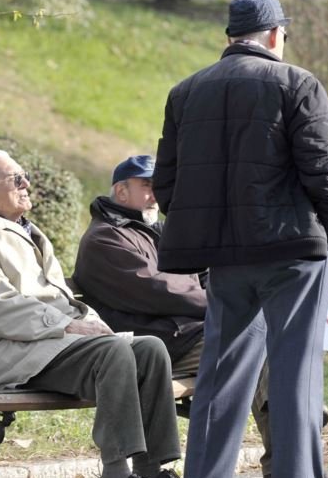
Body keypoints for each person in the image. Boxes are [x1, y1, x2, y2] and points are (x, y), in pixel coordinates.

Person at [153, 0, 328, 478]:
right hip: (291, 251)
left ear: (230, 37)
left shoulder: (185, 91)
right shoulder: (297, 83)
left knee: (220, 377)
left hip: (224, 258)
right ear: (277, 34)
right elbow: (324, 169)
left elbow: (166, 183)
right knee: (294, 377)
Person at [0, 149, 182, 478]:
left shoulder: (27, 231)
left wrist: (88, 322)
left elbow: (59, 297)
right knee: (113, 352)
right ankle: (116, 468)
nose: (26, 184)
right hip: (7, 353)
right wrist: (68, 325)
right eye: (15, 179)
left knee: (150, 349)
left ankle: (153, 468)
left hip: (45, 345)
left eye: (24, 176)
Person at [71, 154, 283, 477]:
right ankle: (289, 440)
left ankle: (288, 440)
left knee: (258, 338)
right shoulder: (104, 238)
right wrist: (228, 304)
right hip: (154, 347)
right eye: (147, 186)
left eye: (159, 185)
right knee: (252, 341)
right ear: (121, 191)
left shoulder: (155, 230)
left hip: (185, 335)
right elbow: (160, 290)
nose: (156, 193)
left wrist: (227, 295)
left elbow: (203, 272)